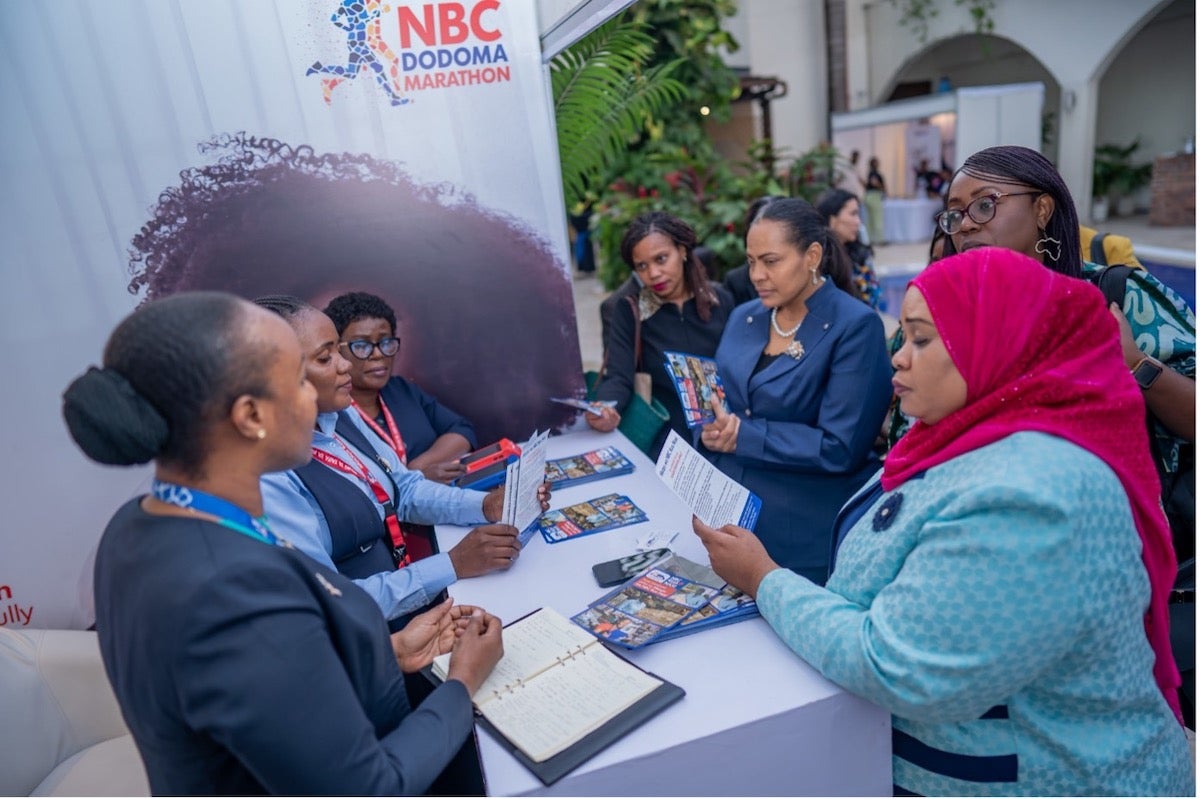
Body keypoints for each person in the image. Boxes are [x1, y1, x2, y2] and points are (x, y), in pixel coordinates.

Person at [694, 248, 1193, 795]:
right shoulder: (960, 432)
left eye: (922, 339)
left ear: (997, 342)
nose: (899, 360)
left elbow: (901, 668)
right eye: (903, 338)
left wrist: (765, 579)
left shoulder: (1031, 496)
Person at [62, 291, 504, 794]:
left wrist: (391, 651)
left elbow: (270, 691)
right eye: (299, 379)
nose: (319, 394)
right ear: (251, 416)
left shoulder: (139, 524)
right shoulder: (235, 595)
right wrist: (461, 684)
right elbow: (366, 787)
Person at [254, 295, 533, 631]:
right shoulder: (270, 479)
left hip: (411, 603)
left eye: (339, 351)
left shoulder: (340, 414)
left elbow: (404, 489)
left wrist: (484, 506)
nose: (344, 366)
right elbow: (333, 604)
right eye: (325, 357)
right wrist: (453, 564)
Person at [698, 198, 892, 584]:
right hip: (727, 520)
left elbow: (841, 447)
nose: (757, 274)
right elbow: (724, 401)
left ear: (812, 256)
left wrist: (743, 437)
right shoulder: (744, 316)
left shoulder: (854, 327)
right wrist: (710, 427)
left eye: (771, 261)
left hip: (802, 531)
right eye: (751, 261)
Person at [587, 212, 735, 458]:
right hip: (667, 447)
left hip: (726, 437)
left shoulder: (721, 301)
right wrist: (605, 407)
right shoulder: (630, 311)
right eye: (642, 266)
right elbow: (618, 376)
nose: (653, 273)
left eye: (661, 259)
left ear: (683, 251)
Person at [324, 291, 477, 484]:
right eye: (362, 345)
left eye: (386, 342)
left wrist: (416, 468)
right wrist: (413, 480)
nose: (379, 354)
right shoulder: (330, 417)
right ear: (337, 350)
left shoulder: (401, 390)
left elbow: (462, 431)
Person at [816, 188, 882, 309]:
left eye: (858, 214)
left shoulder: (861, 256)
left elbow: (874, 296)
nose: (858, 222)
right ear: (832, 220)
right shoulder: (817, 260)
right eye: (853, 214)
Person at [863, 156, 887, 244]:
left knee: (870, 220)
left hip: (869, 196)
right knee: (877, 218)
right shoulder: (874, 173)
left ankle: (868, 239)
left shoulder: (870, 173)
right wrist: (882, 187)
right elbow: (874, 182)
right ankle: (880, 239)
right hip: (874, 196)